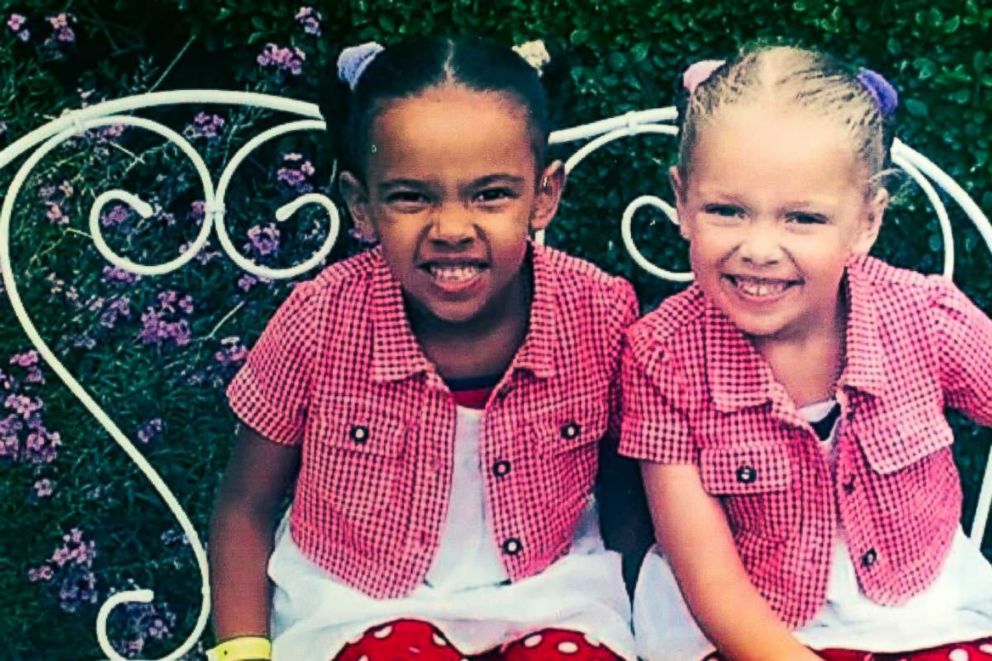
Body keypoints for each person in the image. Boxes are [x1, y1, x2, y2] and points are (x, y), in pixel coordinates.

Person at [207, 35, 641, 661]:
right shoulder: (320, 319)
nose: (452, 230)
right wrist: (243, 649)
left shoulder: (598, 313)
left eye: (490, 194)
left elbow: (629, 489)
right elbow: (245, 507)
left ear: (544, 195)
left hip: (550, 591)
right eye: (411, 196)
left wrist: (646, 624)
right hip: (359, 602)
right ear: (362, 205)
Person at [620, 44, 992, 661]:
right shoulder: (662, 354)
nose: (760, 248)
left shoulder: (921, 318)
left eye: (804, 219)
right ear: (682, 202)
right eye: (727, 210)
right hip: (744, 630)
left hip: (923, 612)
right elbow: (711, 585)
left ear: (866, 222)